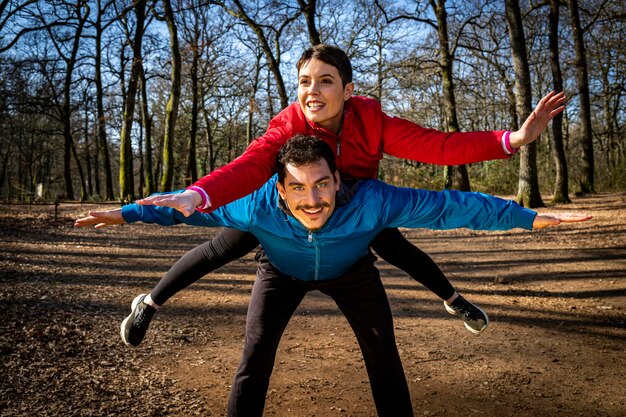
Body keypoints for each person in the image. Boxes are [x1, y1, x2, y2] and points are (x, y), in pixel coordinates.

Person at [76, 136, 589, 417]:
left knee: (384, 356)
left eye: (323, 184)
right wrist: (125, 213)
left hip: (351, 273)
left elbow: (450, 207)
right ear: (279, 190)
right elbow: (180, 211)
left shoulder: (371, 201)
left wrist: (527, 217)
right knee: (254, 357)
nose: (314, 198)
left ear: (339, 178)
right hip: (281, 272)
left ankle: (455, 302)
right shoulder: (254, 206)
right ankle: (151, 302)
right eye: (299, 188)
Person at [114, 44, 568, 343]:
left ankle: (454, 301)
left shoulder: (372, 121)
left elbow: (439, 147)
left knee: (395, 243)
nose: (313, 90)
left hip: (351, 203)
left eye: (326, 80)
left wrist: (512, 139)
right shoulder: (287, 125)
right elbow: (252, 164)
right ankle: (149, 304)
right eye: (305, 82)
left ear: (347, 90)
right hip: (294, 207)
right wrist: (199, 194)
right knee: (226, 243)